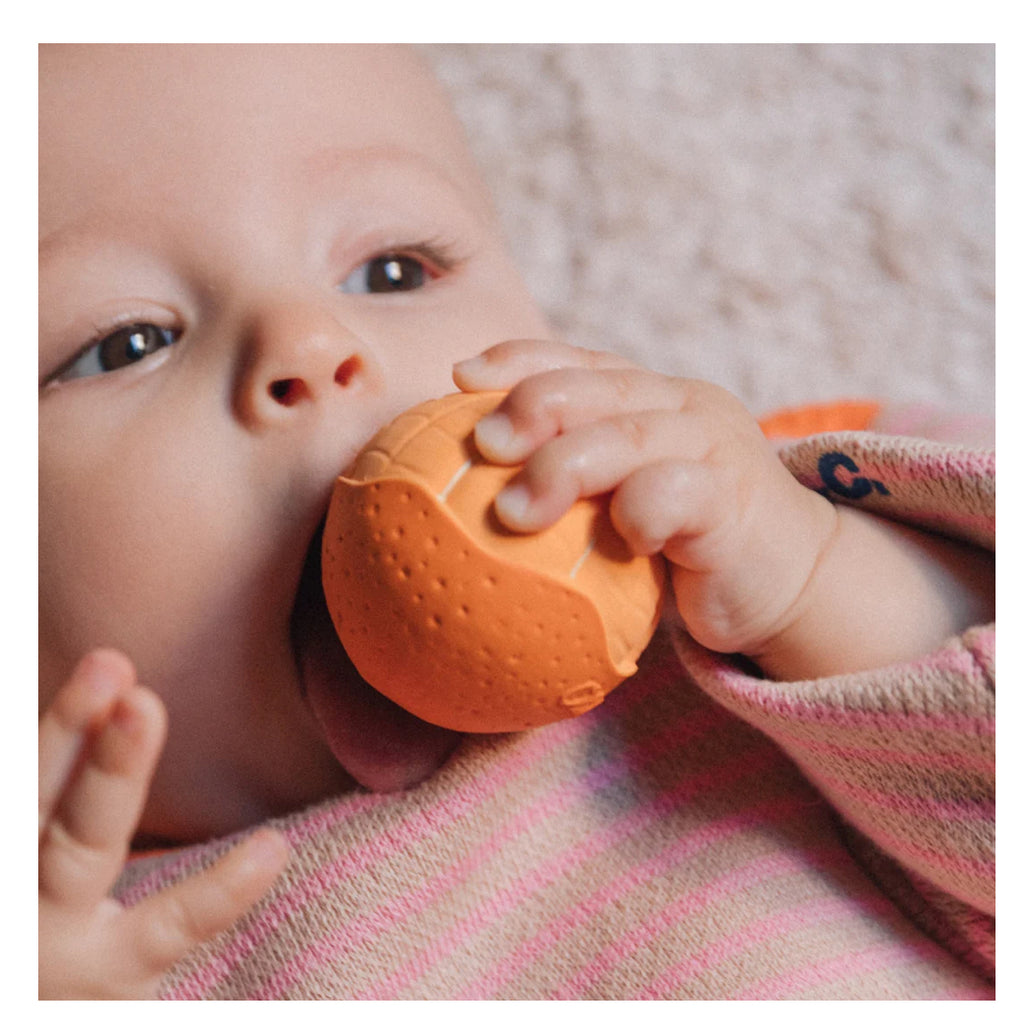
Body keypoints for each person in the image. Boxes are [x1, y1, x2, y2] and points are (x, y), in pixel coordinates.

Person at [38, 44, 995, 1000]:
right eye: (128, 342)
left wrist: (815, 578)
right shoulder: (77, 944)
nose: (311, 343)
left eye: (392, 270)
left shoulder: (764, 520)